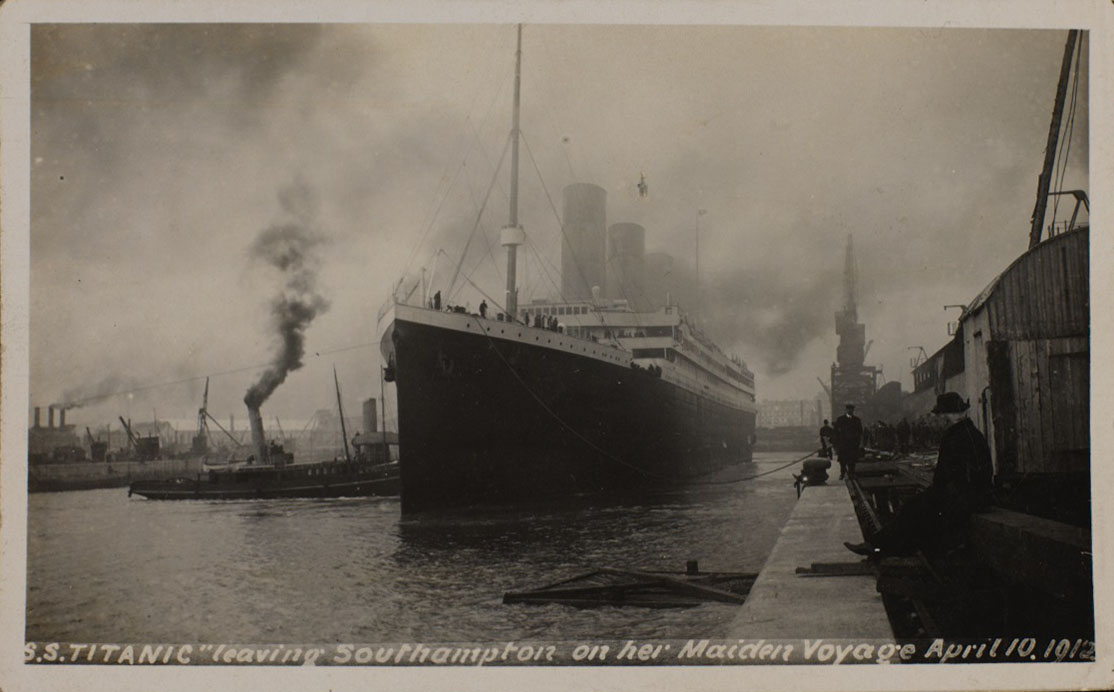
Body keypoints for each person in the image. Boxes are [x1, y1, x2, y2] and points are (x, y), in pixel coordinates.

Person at [845, 392, 993, 557]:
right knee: (915, 509)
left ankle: (879, 547)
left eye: (941, 415)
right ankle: (880, 546)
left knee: (913, 510)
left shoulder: (955, 437)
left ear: (950, 415)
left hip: (964, 497)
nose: (939, 419)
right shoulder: (969, 433)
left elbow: (944, 477)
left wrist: (936, 494)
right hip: (971, 494)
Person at [832, 403, 863, 479]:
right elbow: (836, 432)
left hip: (853, 444)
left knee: (852, 459)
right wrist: (836, 443)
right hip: (843, 444)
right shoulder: (840, 419)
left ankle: (852, 473)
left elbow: (860, 432)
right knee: (843, 460)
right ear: (846, 410)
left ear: (853, 410)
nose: (850, 411)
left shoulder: (857, 420)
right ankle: (842, 473)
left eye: (851, 409)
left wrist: (859, 443)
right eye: (848, 409)